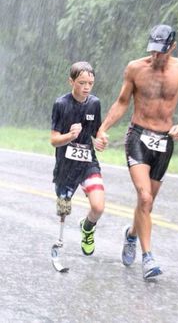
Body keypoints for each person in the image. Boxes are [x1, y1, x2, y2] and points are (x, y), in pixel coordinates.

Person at [96, 24, 178, 279]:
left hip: (165, 141)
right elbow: (121, 102)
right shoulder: (135, 68)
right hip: (139, 136)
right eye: (153, 51)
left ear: (172, 48)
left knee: (147, 203)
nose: (156, 56)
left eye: (161, 52)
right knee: (144, 197)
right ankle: (148, 258)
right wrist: (103, 128)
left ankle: (131, 235)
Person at [51, 61, 106, 256]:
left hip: (88, 163)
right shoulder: (61, 104)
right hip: (65, 167)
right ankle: (59, 245)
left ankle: (88, 228)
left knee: (98, 207)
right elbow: (54, 140)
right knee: (63, 209)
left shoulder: (94, 103)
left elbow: (97, 130)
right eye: (82, 82)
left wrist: (100, 139)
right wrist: (69, 137)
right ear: (71, 81)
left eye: (90, 83)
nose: (86, 87)